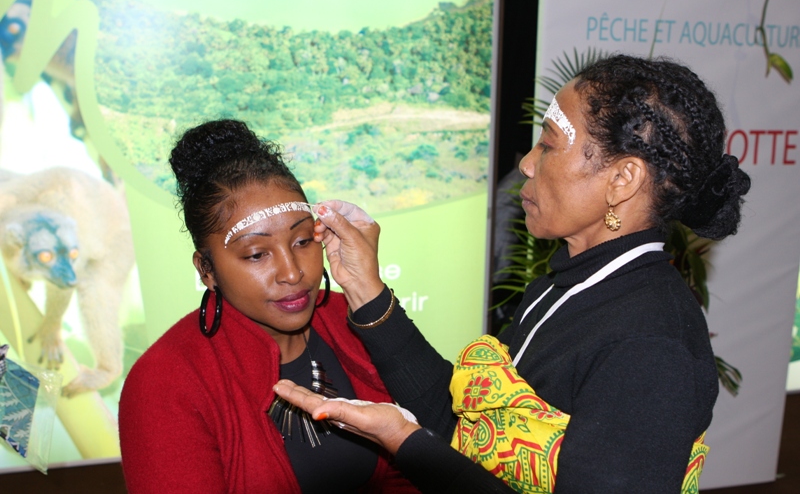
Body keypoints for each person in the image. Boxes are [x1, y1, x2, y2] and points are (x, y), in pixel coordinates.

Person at [274, 54, 752, 493]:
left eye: (549, 144)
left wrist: (405, 442)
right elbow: (469, 428)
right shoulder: (568, 286)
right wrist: (364, 287)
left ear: (621, 180)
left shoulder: (651, 345)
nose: (526, 163)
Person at [118, 119, 419, 494]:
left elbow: (418, 461)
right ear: (206, 270)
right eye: (257, 254)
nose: (293, 273)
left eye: (303, 241)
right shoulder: (164, 384)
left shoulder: (351, 318)